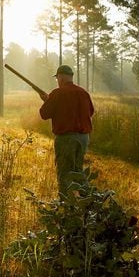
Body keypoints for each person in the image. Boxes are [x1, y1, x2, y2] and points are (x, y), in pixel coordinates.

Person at [39, 65, 94, 198]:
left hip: (66, 139)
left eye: (57, 78)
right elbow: (90, 112)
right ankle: (88, 203)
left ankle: (65, 207)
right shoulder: (83, 92)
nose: (57, 80)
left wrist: (47, 101)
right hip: (84, 138)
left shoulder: (58, 93)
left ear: (61, 77)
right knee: (78, 172)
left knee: (64, 174)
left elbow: (44, 114)